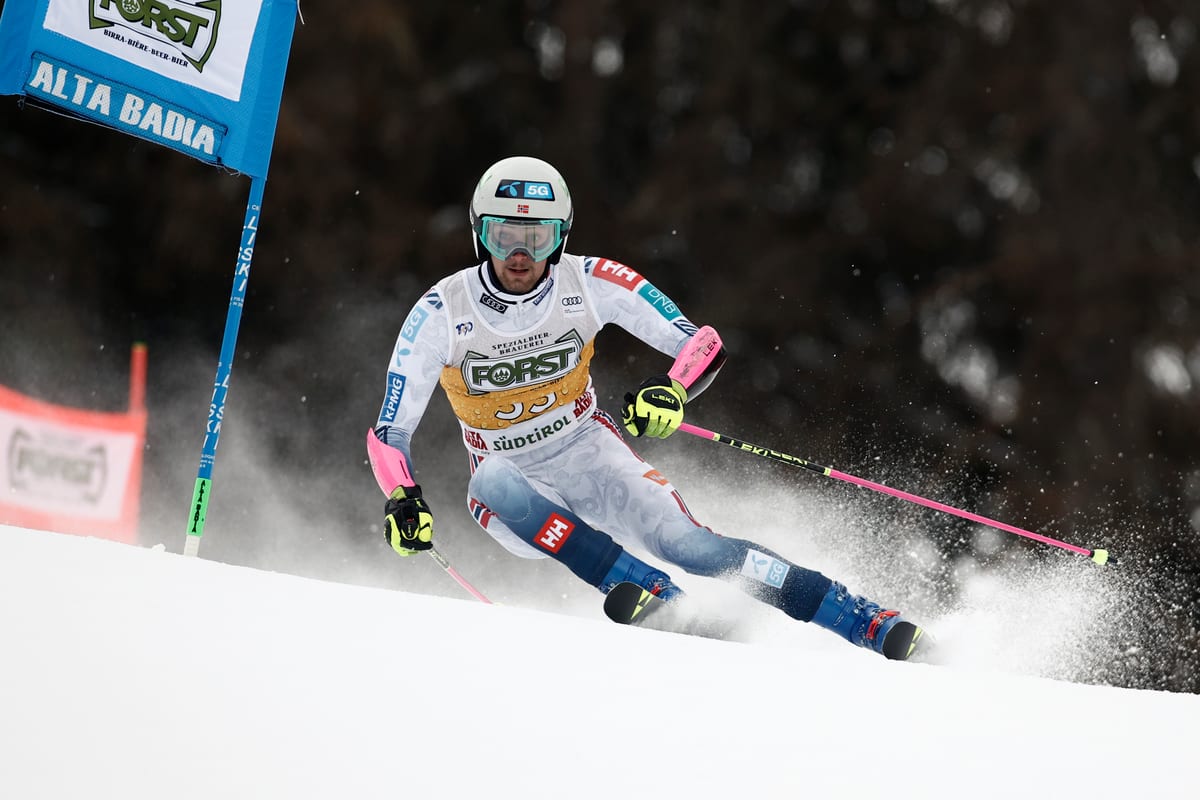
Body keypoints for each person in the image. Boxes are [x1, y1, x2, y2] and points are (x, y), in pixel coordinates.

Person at [368, 155, 929, 660]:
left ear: (561, 237)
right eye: (503, 236)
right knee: (491, 481)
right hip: (516, 490)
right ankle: (651, 590)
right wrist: (402, 497)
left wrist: (672, 390)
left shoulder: (590, 280)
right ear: (479, 234)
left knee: (695, 547)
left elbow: (701, 343)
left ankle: (861, 619)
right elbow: (389, 429)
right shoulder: (442, 311)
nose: (520, 255)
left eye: (537, 238)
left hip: (589, 451)